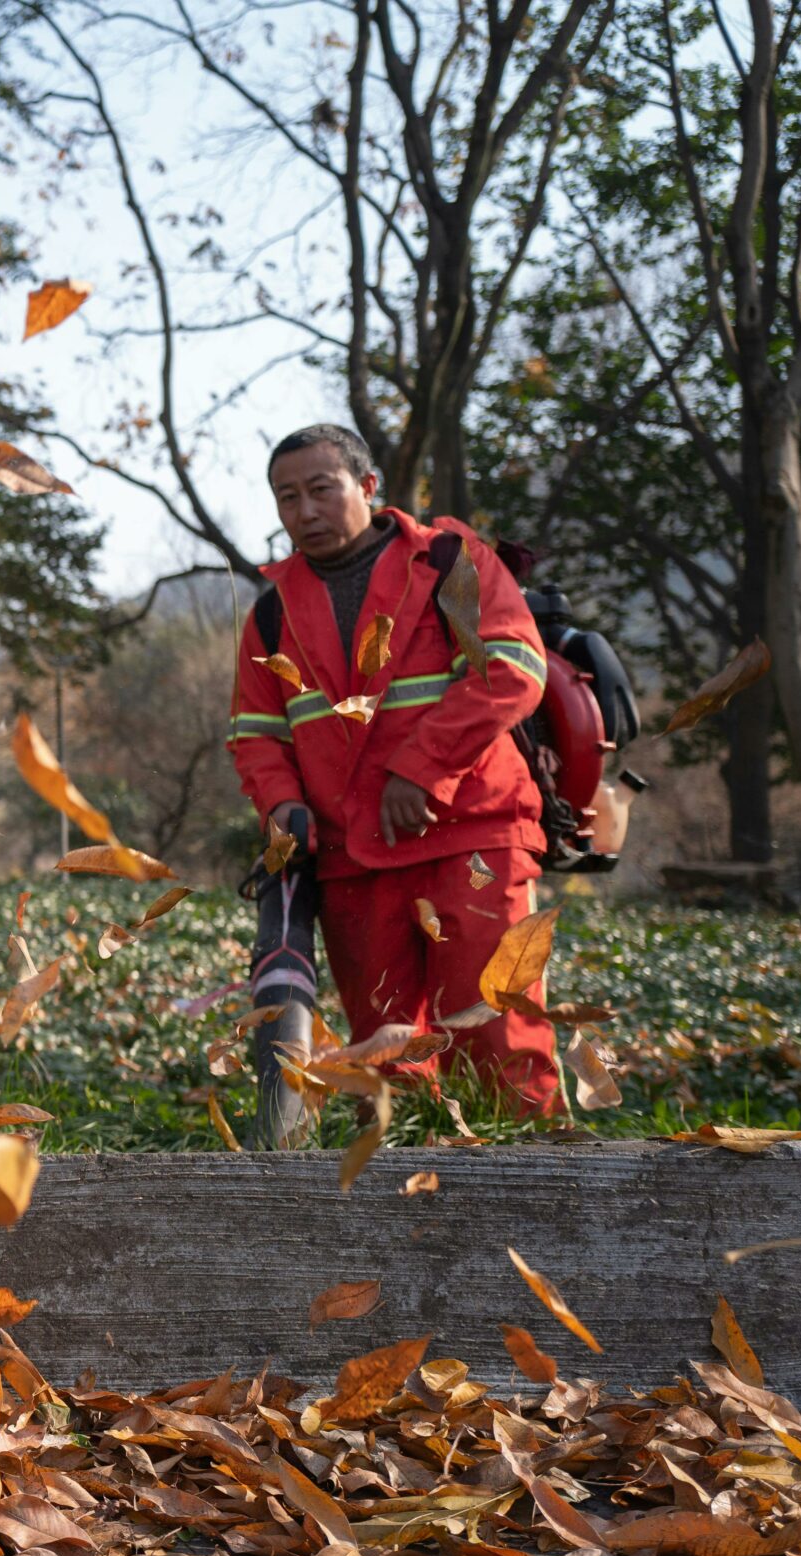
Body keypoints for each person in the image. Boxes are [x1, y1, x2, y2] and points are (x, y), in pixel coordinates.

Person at [227, 424, 562, 1117]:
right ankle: (403, 1211)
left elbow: (514, 668)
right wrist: (281, 806)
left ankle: (538, 1196)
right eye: (287, 498)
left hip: (473, 836)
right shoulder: (269, 614)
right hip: (353, 861)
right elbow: (256, 734)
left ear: (368, 487)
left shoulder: (449, 561)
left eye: (322, 490)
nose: (305, 512)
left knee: (499, 1039)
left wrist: (422, 767)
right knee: (388, 1062)